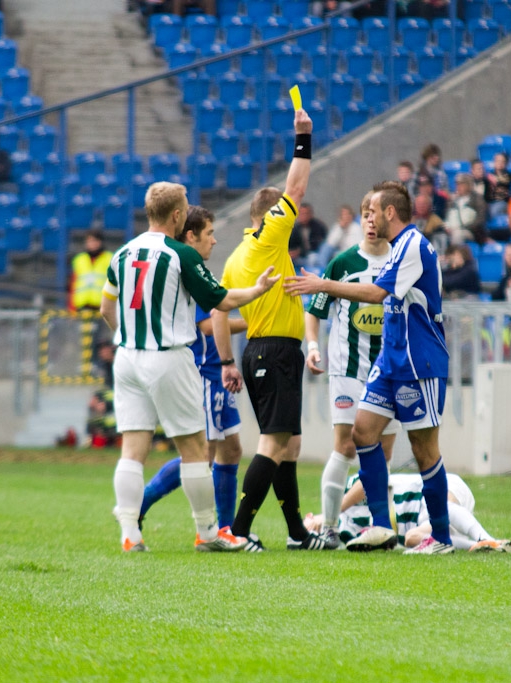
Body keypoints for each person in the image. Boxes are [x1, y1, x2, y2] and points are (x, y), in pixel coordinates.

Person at [101, 182, 278, 553]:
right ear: (178, 215)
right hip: (167, 356)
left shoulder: (122, 253)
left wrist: (131, 337)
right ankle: (208, 532)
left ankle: (130, 536)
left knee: (133, 449)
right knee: (196, 448)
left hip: (127, 358)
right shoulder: (180, 254)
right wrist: (260, 290)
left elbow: (106, 309)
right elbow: (223, 299)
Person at [285, 182, 455, 554]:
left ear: (389, 213)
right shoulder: (396, 248)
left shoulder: (412, 246)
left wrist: (323, 284)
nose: (369, 218)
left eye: (373, 211)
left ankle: (440, 537)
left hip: (418, 360)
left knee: (424, 450)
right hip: (390, 361)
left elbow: (378, 294)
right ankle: (380, 525)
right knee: (361, 433)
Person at [213, 109, 327, 552]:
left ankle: (297, 532)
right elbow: (296, 187)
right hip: (275, 352)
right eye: (284, 211)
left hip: (261, 352)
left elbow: (221, 311)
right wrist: (303, 139)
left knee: (291, 445)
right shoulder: (268, 240)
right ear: (270, 214)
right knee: (273, 442)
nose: (291, 213)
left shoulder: (237, 255)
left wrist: (227, 360)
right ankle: (237, 530)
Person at [135, 206, 249, 531]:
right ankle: (139, 504)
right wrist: (256, 323)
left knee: (230, 448)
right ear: (190, 235)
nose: (214, 241)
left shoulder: (195, 266)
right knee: (203, 453)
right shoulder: (187, 267)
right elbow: (210, 323)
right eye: (209, 234)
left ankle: (228, 529)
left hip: (215, 373)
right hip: (206, 373)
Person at [304, 193, 401, 549]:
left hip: (390, 371)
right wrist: (312, 346)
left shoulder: (400, 261)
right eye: (366, 215)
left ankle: (380, 526)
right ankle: (329, 526)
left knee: (383, 453)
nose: (371, 222)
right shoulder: (343, 262)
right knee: (346, 446)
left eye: (376, 215)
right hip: (348, 368)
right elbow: (314, 310)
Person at [304, 472, 511, 553]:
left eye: (306, 527)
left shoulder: (345, 497)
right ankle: (483, 546)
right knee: (412, 538)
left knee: (444, 508)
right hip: (419, 521)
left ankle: (488, 538)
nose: (311, 531)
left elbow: (368, 480)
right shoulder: (344, 537)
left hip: (431, 490)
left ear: (309, 516)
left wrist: (328, 515)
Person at [68, 229, 112, 312]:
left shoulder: (109, 258)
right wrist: (72, 307)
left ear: (100, 242)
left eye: (95, 241)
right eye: (89, 241)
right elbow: (73, 284)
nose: (92, 244)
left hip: (102, 306)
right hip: (82, 305)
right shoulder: (79, 259)